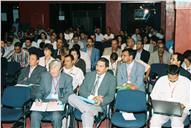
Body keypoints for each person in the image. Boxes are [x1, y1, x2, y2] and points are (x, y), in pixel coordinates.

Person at [68, 57, 116, 128]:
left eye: (101, 66)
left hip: (98, 105)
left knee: (86, 115)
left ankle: (90, 110)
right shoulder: (89, 75)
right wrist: (92, 97)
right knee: (70, 97)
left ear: (106, 68)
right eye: (97, 65)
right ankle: (91, 110)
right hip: (85, 102)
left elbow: (111, 96)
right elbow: (81, 90)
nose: (98, 68)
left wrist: (101, 100)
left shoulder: (112, 79)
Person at [31, 59, 74, 128]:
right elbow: (40, 91)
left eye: (55, 71)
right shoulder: (44, 76)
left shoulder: (67, 78)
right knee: (34, 114)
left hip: (59, 104)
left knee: (56, 116)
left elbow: (69, 93)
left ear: (60, 70)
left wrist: (60, 101)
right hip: (45, 104)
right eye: (51, 70)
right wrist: (38, 98)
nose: (52, 72)